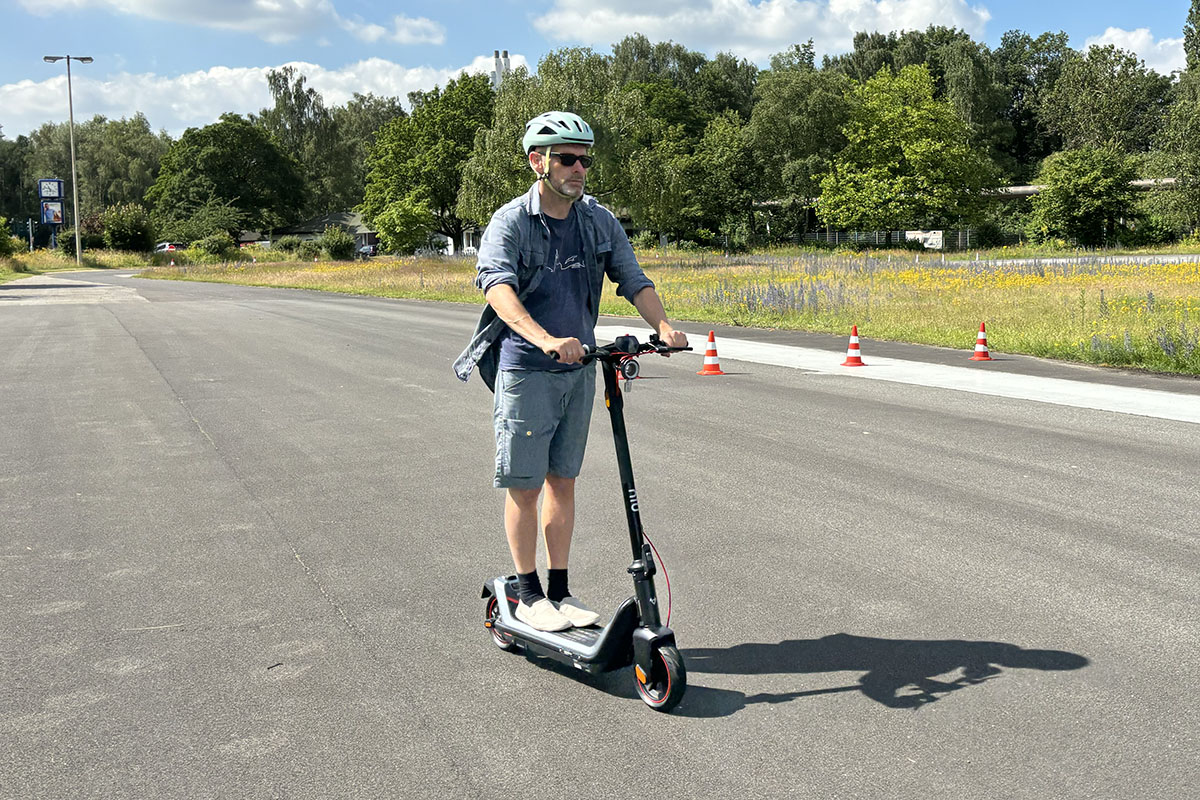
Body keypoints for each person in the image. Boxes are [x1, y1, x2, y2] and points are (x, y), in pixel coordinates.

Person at [454, 111, 688, 631]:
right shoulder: (511, 222)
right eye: (567, 158)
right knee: (526, 484)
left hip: (578, 370)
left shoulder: (598, 220)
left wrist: (664, 326)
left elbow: (632, 277)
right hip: (527, 370)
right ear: (538, 162)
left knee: (564, 480)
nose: (579, 168)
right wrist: (544, 340)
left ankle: (559, 591)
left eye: (584, 159)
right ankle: (526, 591)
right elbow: (497, 286)